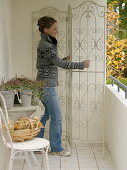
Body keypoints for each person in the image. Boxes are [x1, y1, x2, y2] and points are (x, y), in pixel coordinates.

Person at [36, 16, 90, 157]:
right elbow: (59, 64)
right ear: (46, 30)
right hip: (46, 86)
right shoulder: (46, 45)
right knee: (57, 117)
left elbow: (52, 62)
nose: (57, 31)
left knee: (46, 115)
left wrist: (63, 59)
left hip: (44, 84)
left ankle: (36, 144)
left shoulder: (47, 43)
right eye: (54, 29)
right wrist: (81, 65)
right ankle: (56, 148)